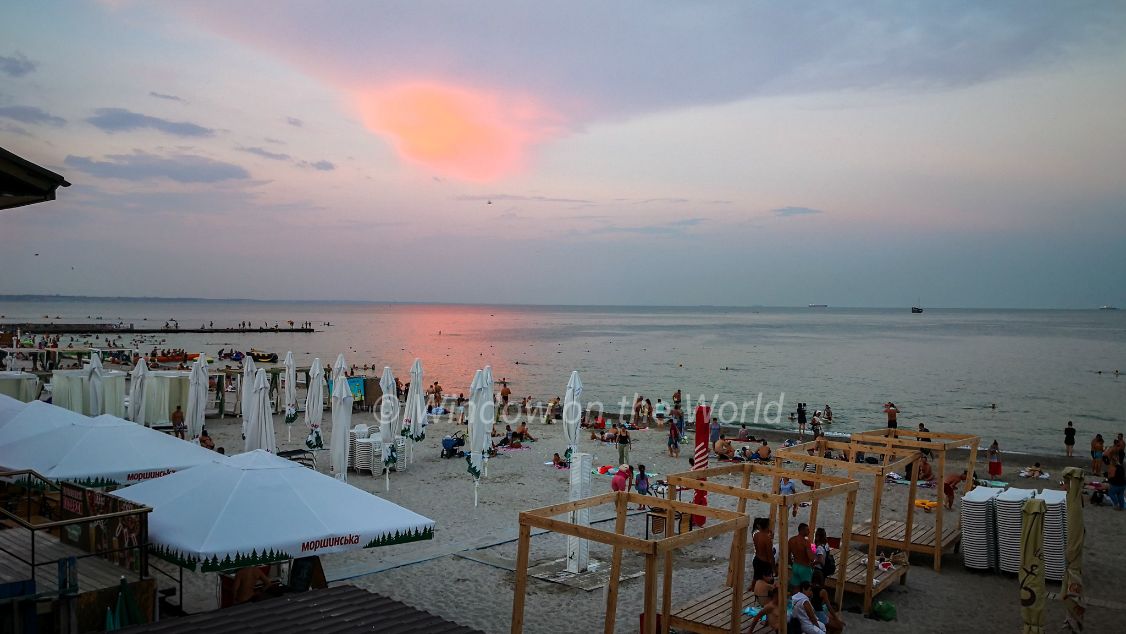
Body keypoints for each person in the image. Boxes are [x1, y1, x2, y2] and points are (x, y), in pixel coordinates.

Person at [788, 524, 814, 590]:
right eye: (807, 530)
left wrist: (791, 564)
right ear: (802, 530)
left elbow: (788, 555)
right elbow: (811, 558)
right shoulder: (806, 542)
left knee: (795, 589)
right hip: (804, 567)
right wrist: (813, 548)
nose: (809, 531)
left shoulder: (791, 540)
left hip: (795, 566)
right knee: (807, 589)